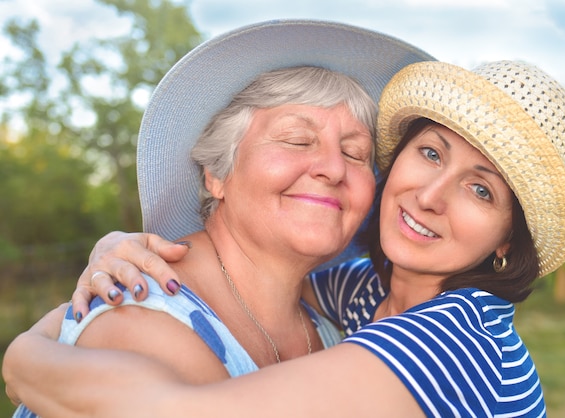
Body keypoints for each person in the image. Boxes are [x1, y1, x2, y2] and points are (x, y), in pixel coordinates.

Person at [3, 59, 565, 417]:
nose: (432, 195)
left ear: (508, 241)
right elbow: (266, 285)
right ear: (216, 172)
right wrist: (104, 261)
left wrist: (25, 352)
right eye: (430, 153)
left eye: (482, 191)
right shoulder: (357, 293)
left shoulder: (455, 344)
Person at [3, 19, 435, 418]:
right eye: (297, 139)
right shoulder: (138, 317)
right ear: (216, 174)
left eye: (354, 152)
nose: (333, 168)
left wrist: (29, 347)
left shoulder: (346, 317)